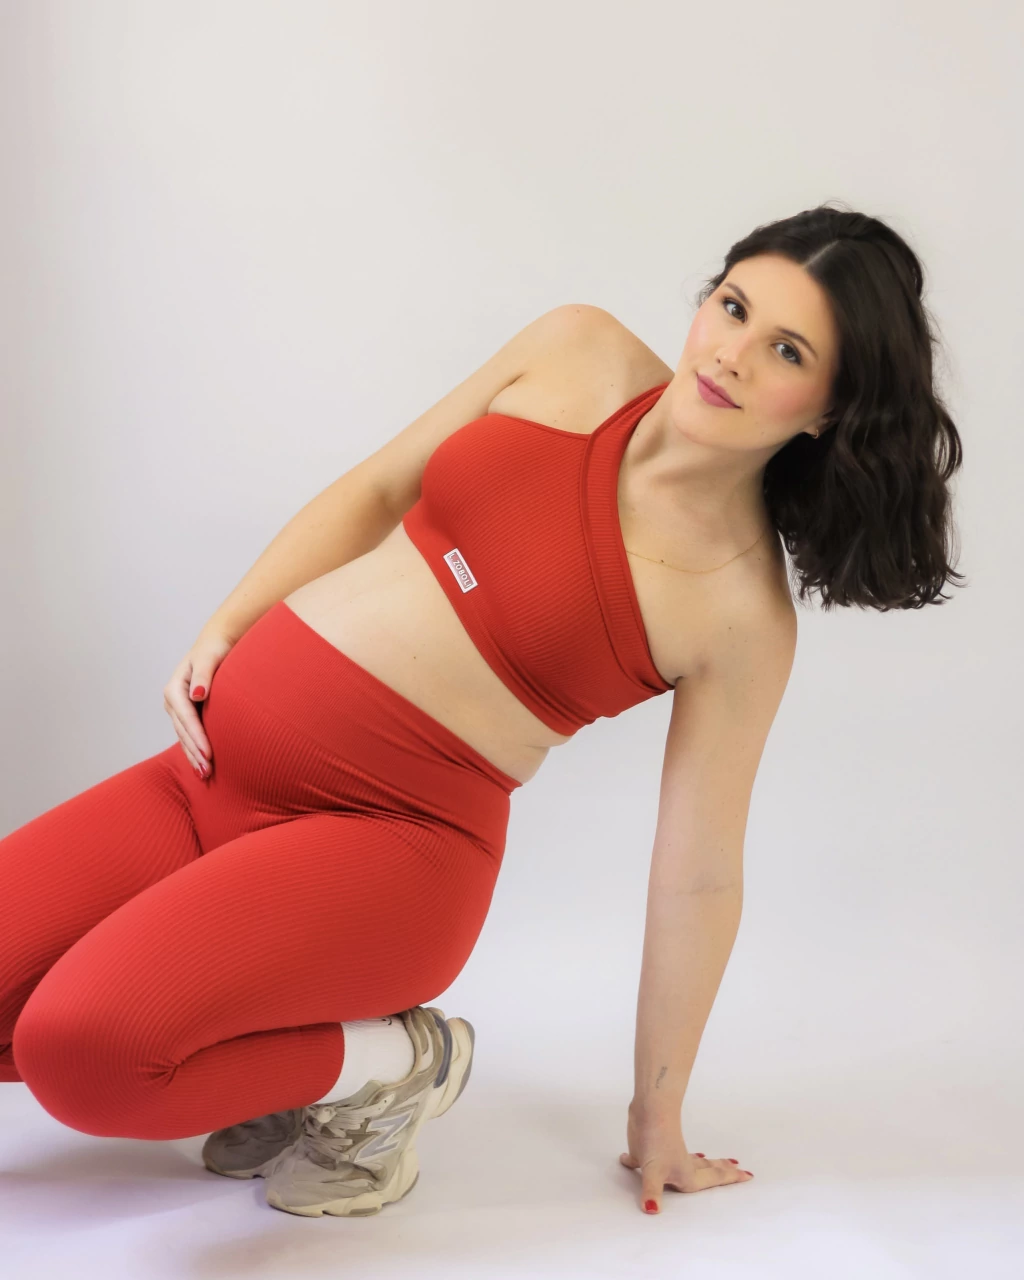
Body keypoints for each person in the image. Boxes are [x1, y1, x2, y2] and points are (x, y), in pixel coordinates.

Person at [0, 202, 964, 1220]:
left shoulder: (739, 612)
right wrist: (227, 624)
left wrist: (657, 1113)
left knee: (82, 1052)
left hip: (383, 848)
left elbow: (698, 873)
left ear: (828, 410)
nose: (731, 354)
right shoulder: (577, 352)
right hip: (204, 776)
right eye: (732, 306)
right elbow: (380, 488)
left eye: (785, 350)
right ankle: (281, 1047)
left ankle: (392, 1066)